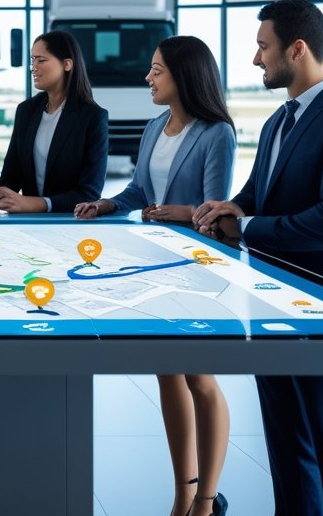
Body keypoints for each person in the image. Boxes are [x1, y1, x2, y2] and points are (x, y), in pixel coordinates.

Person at [194, 0, 323, 516]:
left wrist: (247, 226)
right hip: (272, 300)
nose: (257, 60)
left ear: (297, 50)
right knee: (287, 445)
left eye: (263, 47)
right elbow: (261, 192)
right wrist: (230, 207)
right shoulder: (282, 119)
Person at [77, 35, 236, 516]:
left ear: (184, 76)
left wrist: (177, 213)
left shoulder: (216, 134)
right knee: (167, 371)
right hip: (154, 261)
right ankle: (182, 492)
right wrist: (106, 204)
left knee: (200, 377)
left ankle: (207, 500)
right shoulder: (152, 128)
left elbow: (214, 208)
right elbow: (139, 190)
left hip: (197, 266)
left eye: (157, 70)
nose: (148, 77)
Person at [0, 30, 108, 212]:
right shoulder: (26, 111)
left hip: (71, 222)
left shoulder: (92, 117)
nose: (33, 67)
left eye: (41, 60)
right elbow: (11, 178)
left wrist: (34, 204)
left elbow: (89, 193)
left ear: (67, 64)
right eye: (32, 60)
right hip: (29, 223)